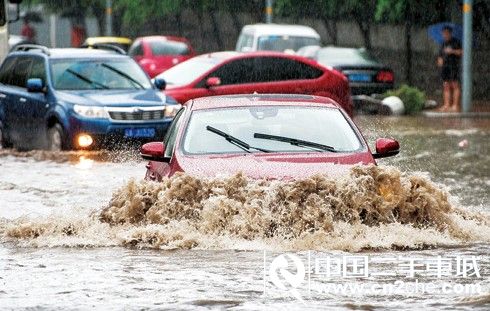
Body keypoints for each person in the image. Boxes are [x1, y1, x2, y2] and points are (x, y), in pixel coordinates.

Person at [437, 26, 463, 112]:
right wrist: (440, 61)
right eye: (443, 33)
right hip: (445, 67)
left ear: (450, 33)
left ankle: (455, 105)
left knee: (455, 85)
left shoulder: (456, 42)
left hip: (453, 66)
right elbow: (440, 54)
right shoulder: (443, 43)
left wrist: (452, 51)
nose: (445, 35)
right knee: (446, 85)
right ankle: (446, 105)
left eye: (446, 33)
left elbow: (461, 52)